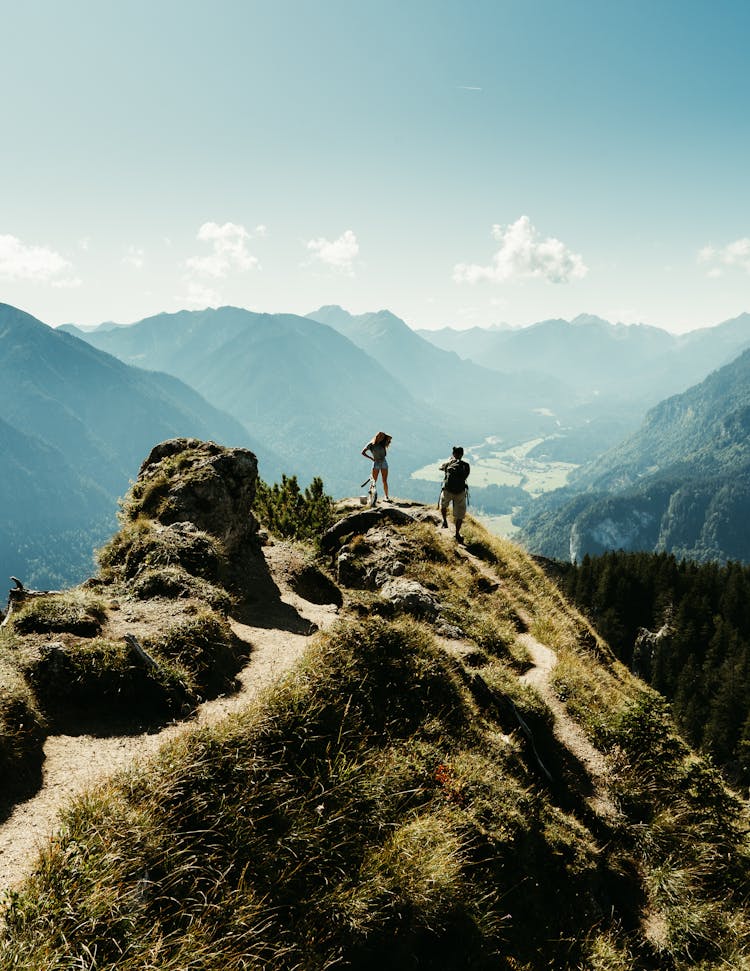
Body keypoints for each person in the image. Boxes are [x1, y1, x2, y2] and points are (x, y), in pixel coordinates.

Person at [439, 445, 470, 542]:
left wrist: (450, 461)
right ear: (462, 454)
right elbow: (466, 476)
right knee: (460, 514)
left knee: (443, 505)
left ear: (453, 454)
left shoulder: (449, 463)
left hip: (448, 490)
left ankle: (444, 521)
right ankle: (457, 533)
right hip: (460, 492)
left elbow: (440, 467)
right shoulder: (466, 465)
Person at [362, 431, 392, 501]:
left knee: (384, 481)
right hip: (376, 463)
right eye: (380, 437)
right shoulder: (371, 444)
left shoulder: (383, 443)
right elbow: (363, 452)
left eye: (382, 437)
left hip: (384, 462)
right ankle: (371, 497)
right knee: (373, 481)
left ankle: (386, 497)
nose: (381, 438)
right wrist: (371, 458)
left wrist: (384, 435)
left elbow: (390, 437)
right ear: (377, 436)